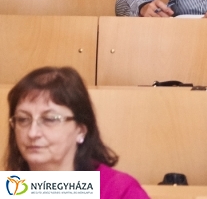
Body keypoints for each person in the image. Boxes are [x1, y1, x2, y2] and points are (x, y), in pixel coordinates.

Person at [6, 66, 148, 199]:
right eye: (23, 119)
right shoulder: (12, 189)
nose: (32, 133)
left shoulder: (119, 191)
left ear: (80, 130)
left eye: (50, 119)